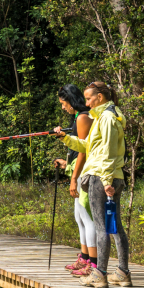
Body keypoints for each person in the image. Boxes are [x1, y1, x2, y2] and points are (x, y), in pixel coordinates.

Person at [54, 81, 130, 288]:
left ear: (100, 97)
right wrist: (65, 139)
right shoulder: (103, 116)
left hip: (102, 177)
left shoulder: (106, 118)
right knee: (115, 226)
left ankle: (99, 274)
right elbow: (90, 146)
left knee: (101, 227)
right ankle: (122, 273)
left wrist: (106, 182)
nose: (85, 102)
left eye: (88, 98)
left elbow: (107, 153)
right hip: (109, 176)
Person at [51, 85, 95, 277]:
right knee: (80, 219)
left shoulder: (84, 117)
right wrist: (65, 165)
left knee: (88, 218)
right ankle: (84, 258)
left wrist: (74, 179)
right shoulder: (78, 117)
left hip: (85, 176)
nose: (63, 107)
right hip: (78, 173)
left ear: (71, 99)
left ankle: (92, 265)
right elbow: (76, 148)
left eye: (63, 103)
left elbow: (84, 151)